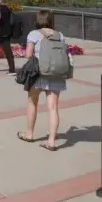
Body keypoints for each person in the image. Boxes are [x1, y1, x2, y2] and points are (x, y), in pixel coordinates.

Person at [18, 10, 72, 151]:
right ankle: (52, 141)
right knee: (53, 107)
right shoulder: (60, 35)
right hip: (56, 74)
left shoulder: (34, 34)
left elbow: (29, 55)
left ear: (38, 20)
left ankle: (29, 134)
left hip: (38, 73)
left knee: (32, 101)